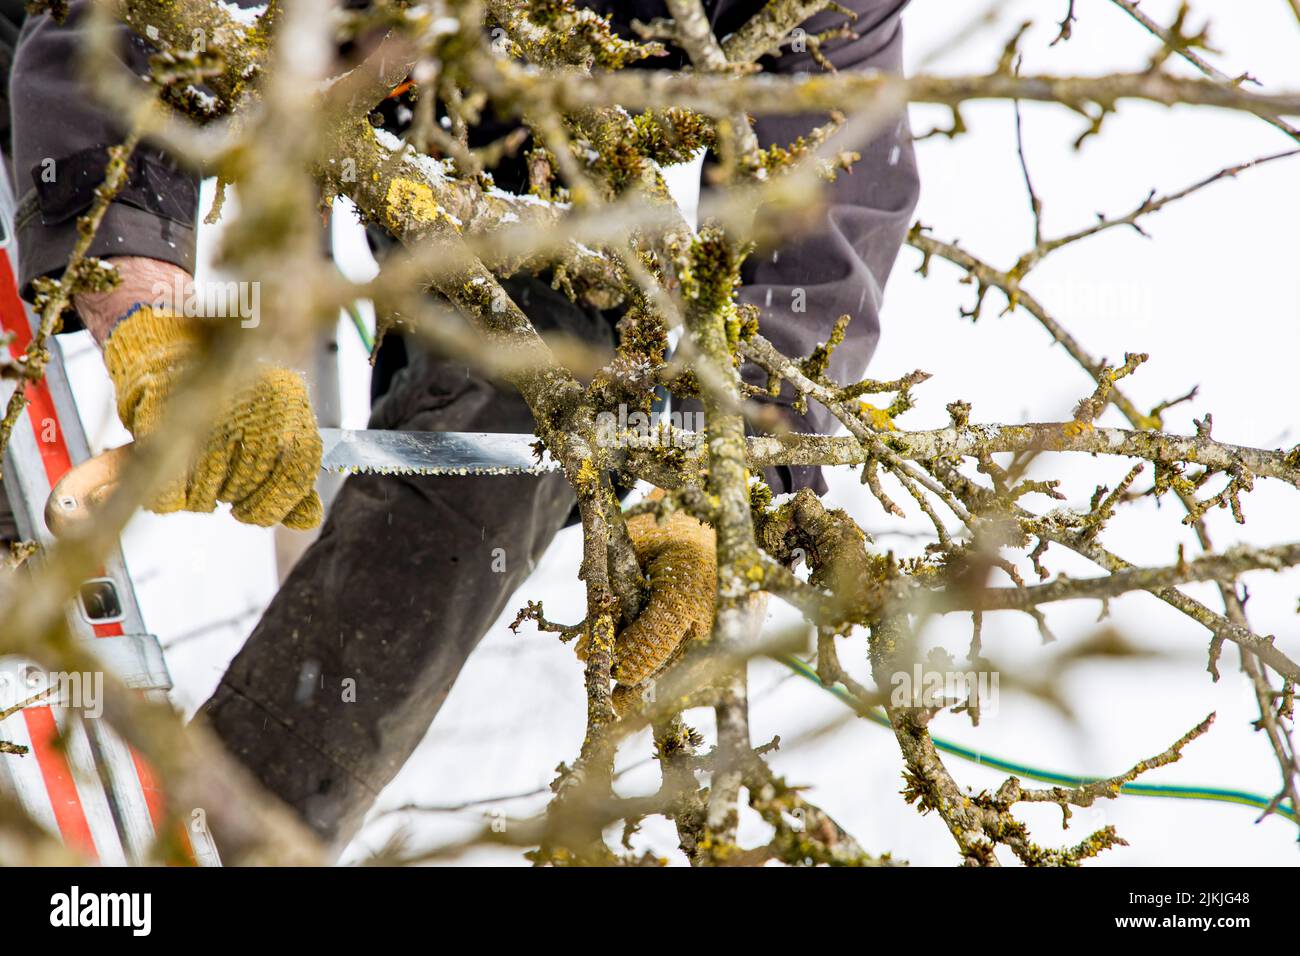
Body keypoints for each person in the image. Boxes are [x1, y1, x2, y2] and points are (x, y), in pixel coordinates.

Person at [7, 0, 917, 852]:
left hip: (508, 119)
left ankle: (228, 841)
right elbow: (113, 28)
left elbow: (825, 206)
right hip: (256, 40)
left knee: (551, 390)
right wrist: (156, 326)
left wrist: (728, 471)